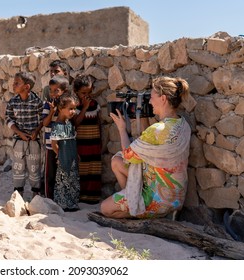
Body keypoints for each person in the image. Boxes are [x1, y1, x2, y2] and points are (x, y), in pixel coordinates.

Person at [100, 76, 192, 219]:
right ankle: (132, 199)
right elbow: (151, 146)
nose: (149, 101)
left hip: (157, 199)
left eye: (152, 97)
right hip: (176, 197)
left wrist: (122, 128)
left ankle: (137, 208)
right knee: (116, 161)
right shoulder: (182, 124)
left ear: (163, 99)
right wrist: (143, 117)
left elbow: (128, 155)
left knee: (105, 209)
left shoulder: (157, 130)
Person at [5, 71, 44, 198]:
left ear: (26, 87)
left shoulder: (37, 101)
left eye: (17, 83)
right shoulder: (12, 102)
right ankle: (18, 193)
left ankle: (36, 192)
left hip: (33, 140)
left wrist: (36, 131)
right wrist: (19, 133)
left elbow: (43, 119)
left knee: (34, 166)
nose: (13, 85)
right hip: (18, 140)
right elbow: (8, 119)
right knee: (18, 166)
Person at [72, 74, 102, 204]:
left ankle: (92, 198)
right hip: (81, 144)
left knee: (93, 169)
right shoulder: (75, 106)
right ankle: (80, 197)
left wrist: (101, 141)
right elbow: (75, 124)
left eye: (89, 92)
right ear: (76, 92)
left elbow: (99, 123)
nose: (87, 95)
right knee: (82, 170)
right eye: (83, 93)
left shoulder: (95, 105)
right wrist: (84, 107)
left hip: (94, 143)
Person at [50, 93, 80, 212]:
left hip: (72, 158)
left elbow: (72, 141)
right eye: (70, 109)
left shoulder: (69, 123)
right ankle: (63, 204)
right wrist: (60, 156)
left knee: (72, 180)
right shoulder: (58, 126)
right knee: (63, 181)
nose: (73, 111)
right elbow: (54, 145)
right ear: (61, 109)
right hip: (64, 159)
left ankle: (72, 204)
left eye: (74, 109)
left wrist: (76, 155)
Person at [42, 75, 70, 199]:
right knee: (50, 172)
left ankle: (61, 197)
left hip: (63, 145)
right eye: (51, 90)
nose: (53, 94)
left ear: (64, 92)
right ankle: (49, 197)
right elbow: (45, 123)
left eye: (56, 91)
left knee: (63, 172)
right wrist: (52, 111)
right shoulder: (48, 105)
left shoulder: (67, 106)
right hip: (50, 144)